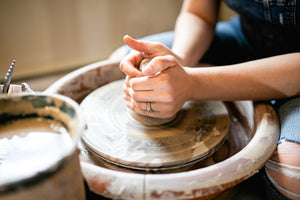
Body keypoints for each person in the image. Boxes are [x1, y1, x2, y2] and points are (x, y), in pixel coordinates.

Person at [117, 0, 300, 199]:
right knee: (123, 59)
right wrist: (178, 60)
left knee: (293, 171)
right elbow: (198, 13)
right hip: (248, 37)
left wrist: (192, 85)